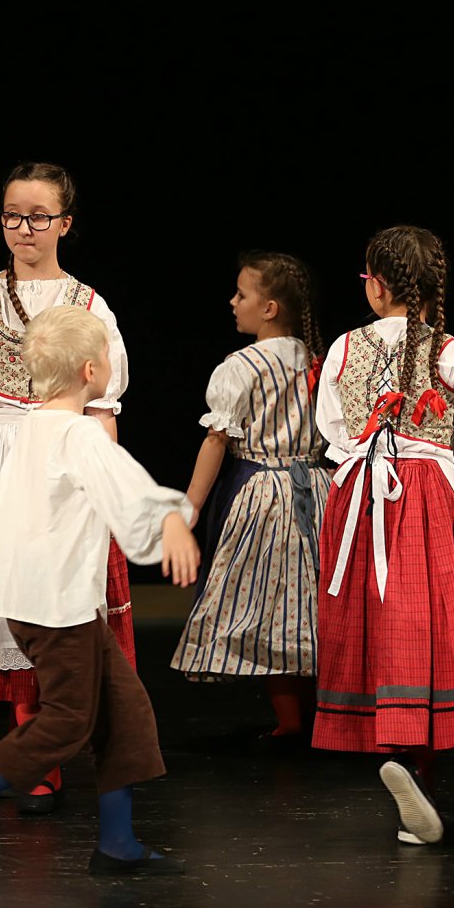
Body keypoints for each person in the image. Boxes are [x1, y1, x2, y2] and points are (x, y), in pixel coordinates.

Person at [0, 305, 197, 883]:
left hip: (37, 599)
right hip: (58, 605)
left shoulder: (29, 428)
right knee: (66, 721)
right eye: (107, 357)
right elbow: (124, 485)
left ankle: (117, 842)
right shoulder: (77, 434)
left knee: (125, 712)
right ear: (90, 370)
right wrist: (170, 521)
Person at [0, 161, 132, 812]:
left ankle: (43, 756)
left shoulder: (89, 306)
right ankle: (31, 753)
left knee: (53, 601)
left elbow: (102, 408)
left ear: (65, 223)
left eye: (39, 217)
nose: (24, 228)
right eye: (13, 215)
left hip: (58, 457)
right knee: (1, 601)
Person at [311, 225, 454, 846]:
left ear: (376, 286)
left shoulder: (344, 349)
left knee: (378, 623)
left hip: (361, 497)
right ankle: (421, 765)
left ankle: (396, 752)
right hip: (427, 496)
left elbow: (335, 432)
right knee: (426, 624)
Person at [170, 253, 329, 741]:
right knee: (308, 603)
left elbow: (216, 440)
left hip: (264, 495)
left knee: (268, 604)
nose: (233, 302)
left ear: (269, 308)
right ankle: (314, 718)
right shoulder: (318, 361)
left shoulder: (241, 366)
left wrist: (190, 506)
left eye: (242, 294)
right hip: (319, 491)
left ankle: (292, 720)